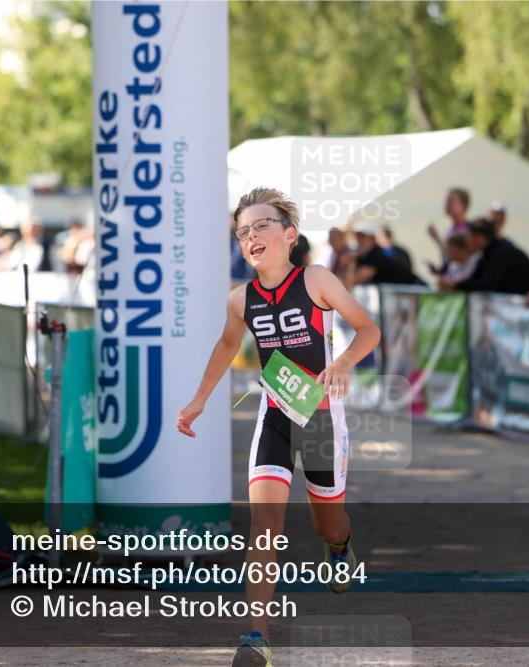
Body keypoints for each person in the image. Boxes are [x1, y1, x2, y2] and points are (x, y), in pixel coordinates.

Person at [176, 187, 380, 667]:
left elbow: (368, 329)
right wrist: (199, 400)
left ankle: (340, 545)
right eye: (243, 231)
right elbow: (228, 347)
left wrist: (345, 362)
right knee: (264, 525)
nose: (251, 236)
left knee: (326, 522)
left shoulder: (316, 279)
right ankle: (256, 639)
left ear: (289, 235)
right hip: (275, 416)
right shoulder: (240, 299)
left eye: (261, 225)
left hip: (322, 420)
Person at [439, 219, 529, 294]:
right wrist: (454, 284)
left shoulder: (502, 251)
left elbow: (486, 285)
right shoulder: (487, 253)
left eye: (470, 237)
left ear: (480, 238)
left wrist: (455, 286)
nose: (468, 242)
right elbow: (475, 278)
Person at [349, 223, 425, 287]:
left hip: (416, 289)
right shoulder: (365, 256)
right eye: (357, 236)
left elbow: (357, 279)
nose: (359, 240)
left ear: (372, 239)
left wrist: (350, 258)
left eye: (362, 236)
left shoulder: (376, 254)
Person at [427, 187, 471, 272]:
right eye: (447, 201)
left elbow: (458, 258)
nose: (447, 205)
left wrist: (437, 238)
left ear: (463, 205)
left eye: (451, 201)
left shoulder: (468, 230)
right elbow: (450, 263)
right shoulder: (449, 230)